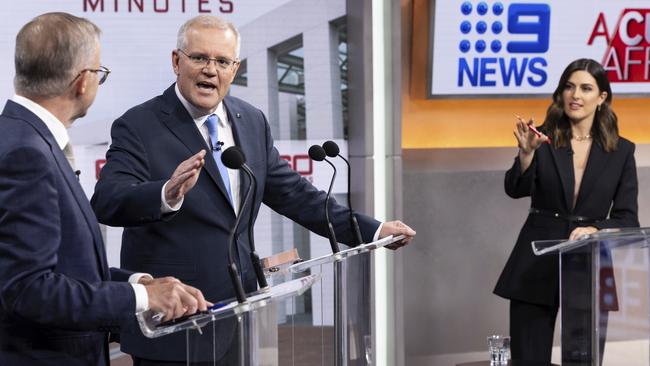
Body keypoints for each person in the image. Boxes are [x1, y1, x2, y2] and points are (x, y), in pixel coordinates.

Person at [90, 15, 416, 365]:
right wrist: (166, 194)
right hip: (175, 321)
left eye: (222, 61)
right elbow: (108, 201)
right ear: (176, 61)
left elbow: (294, 194)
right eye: (199, 58)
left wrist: (374, 230)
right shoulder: (139, 124)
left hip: (237, 317)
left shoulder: (251, 120)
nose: (210, 70)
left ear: (235, 68)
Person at [0, 13, 209, 366]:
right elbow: (28, 290)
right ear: (83, 81)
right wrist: (140, 300)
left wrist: (136, 285)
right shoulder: (27, 153)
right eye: (99, 72)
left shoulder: (21, 138)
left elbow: (57, 268)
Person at [493, 58, 639, 364]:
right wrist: (526, 154)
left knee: (583, 360)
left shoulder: (622, 150)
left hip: (588, 265)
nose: (575, 95)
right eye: (569, 87)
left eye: (586, 88)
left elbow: (628, 218)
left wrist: (595, 231)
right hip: (535, 263)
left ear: (601, 97)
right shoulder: (541, 139)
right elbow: (514, 188)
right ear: (560, 94)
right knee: (529, 359)